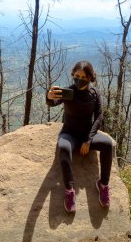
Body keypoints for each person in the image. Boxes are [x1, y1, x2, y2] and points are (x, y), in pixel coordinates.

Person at [46, 60, 113, 213]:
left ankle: (103, 184)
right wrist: (49, 97)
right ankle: (69, 190)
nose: (79, 79)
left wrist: (88, 140)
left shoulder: (94, 94)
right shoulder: (68, 92)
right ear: (73, 76)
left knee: (108, 144)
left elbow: (99, 117)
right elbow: (53, 103)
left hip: (86, 135)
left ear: (90, 78)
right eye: (77, 76)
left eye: (83, 76)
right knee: (63, 147)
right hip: (69, 133)